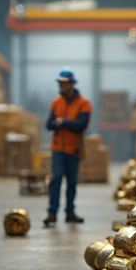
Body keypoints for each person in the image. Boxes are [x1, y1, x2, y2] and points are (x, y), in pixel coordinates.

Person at [43, 69, 92, 227]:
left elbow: (82, 125)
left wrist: (63, 122)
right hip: (57, 148)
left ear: (71, 84)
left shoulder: (83, 103)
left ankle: (70, 212)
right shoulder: (56, 102)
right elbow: (49, 124)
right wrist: (59, 123)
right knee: (56, 178)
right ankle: (52, 212)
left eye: (64, 83)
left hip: (74, 149)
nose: (62, 86)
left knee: (71, 182)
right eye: (60, 83)